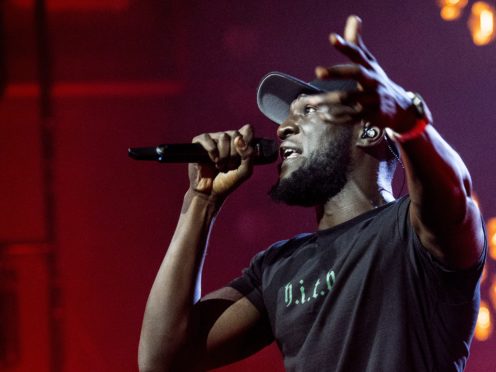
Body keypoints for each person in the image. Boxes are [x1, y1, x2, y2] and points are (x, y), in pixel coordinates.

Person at [138, 15, 486, 372]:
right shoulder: (279, 267)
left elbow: (455, 194)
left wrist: (410, 122)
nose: (284, 128)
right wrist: (201, 201)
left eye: (308, 111)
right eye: (287, 117)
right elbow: (163, 358)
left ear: (368, 131)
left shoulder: (414, 236)